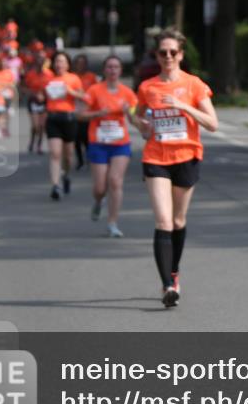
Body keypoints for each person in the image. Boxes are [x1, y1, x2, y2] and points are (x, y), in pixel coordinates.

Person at [131, 29, 217, 308]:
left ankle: (174, 271)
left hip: (186, 157)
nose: (167, 57)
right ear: (156, 55)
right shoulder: (148, 87)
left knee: (178, 221)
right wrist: (141, 125)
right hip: (156, 157)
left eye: (172, 52)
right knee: (163, 222)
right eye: (162, 52)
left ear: (181, 54)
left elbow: (212, 123)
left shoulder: (194, 85)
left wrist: (183, 106)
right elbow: (137, 115)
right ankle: (167, 285)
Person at [79, 55, 137, 237]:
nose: (113, 70)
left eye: (116, 67)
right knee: (99, 188)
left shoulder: (127, 93)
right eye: (109, 67)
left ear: (120, 71)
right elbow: (80, 114)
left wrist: (130, 113)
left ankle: (112, 223)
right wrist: (97, 113)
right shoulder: (95, 90)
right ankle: (98, 201)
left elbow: (134, 119)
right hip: (99, 143)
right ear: (104, 70)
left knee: (115, 181)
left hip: (120, 143)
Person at [44, 51, 84, 200]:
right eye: (57, 61)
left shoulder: (73, 78)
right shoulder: (49, 79)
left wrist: (70, 92)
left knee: (68, 156)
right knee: (55, 154)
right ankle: (55, 185)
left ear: (67, 64)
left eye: (62, 61)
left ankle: (66, 175)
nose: (59, 64)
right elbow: (42, 96)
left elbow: (83, 96)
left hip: (69, 118)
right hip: (53, 118)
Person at [22, 49, 51, 154]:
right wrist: (33, 93)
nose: (40, 61)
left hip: (44, 102)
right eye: (38, 59)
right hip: (33, 101)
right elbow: (23, 88)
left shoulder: (49, 75)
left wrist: (45, 95)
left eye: (42, 59)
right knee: (35, 126)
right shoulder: (30, 74)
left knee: (42, 126)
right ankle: (32, 141)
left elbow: (53, 89)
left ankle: (39, 146)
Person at [73, 54, 98, 170]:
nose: (81, 66)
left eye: (83, 63)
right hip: (75, 109)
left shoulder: (91, 77)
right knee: (76, 136)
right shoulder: (73, 77)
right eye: (78, 63)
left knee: (86, 136)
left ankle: (89, 157)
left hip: (88, 110)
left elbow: (96, 91)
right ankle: (80, 160)